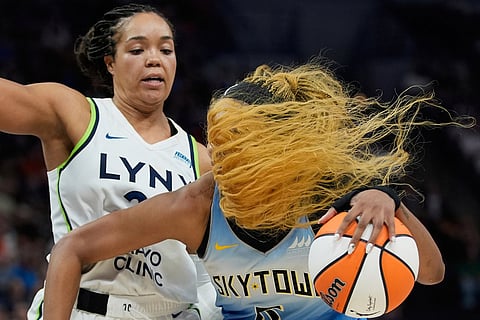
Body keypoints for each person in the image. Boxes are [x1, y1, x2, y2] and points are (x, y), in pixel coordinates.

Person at [42, 59, 473, 319]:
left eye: (234, 153)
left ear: (274, 159)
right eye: (218, 147)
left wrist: (391, 202)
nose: (216, 160)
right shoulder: (195, 206)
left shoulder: (333, 198)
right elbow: (71, 249)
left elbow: (430, 273)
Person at [0, 3, 221, 319]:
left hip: (172, 310)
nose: (154, 58)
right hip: (83, 307)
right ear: (111, 63)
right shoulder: (78, 116)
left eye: (166, 49)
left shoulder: (200, 158)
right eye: (137, 49)